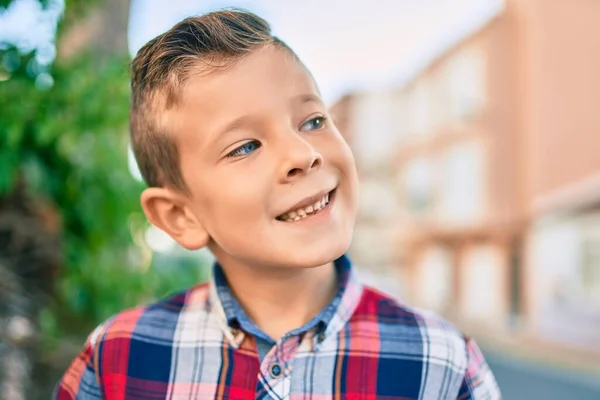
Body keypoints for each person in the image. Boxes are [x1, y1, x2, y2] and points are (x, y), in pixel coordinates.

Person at [54, 9, 501, 399]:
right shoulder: (117, 359)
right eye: (245, 146)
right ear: (181, 216)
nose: (303, 154)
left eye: (312, 120)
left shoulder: (444, 365)